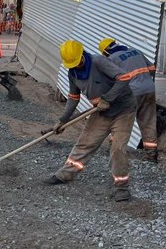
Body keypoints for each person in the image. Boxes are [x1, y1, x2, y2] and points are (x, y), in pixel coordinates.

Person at [43, 40, 136, 202]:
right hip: (101, 112)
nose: (75, 65)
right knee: (85, 142)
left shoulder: (98, 62)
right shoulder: (73, 73)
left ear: (82, 55)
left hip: (123, 109)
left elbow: (124, 77)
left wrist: (108, 98)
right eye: (72, 64)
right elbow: (73, 98)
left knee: (117, 149)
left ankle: (122, 187)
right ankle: (65, 174)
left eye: (77, 62)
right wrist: (63, 120)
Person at [99, 38, 158, 162]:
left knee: (120, 121)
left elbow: (110, 81)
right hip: (149, 89)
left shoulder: (111, 59)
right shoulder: (136, 51)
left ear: (105, 52)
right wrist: (142, 78)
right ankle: (152, 156)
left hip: (131, 93)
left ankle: (115, 150)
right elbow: (152, 69)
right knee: (148, 122)